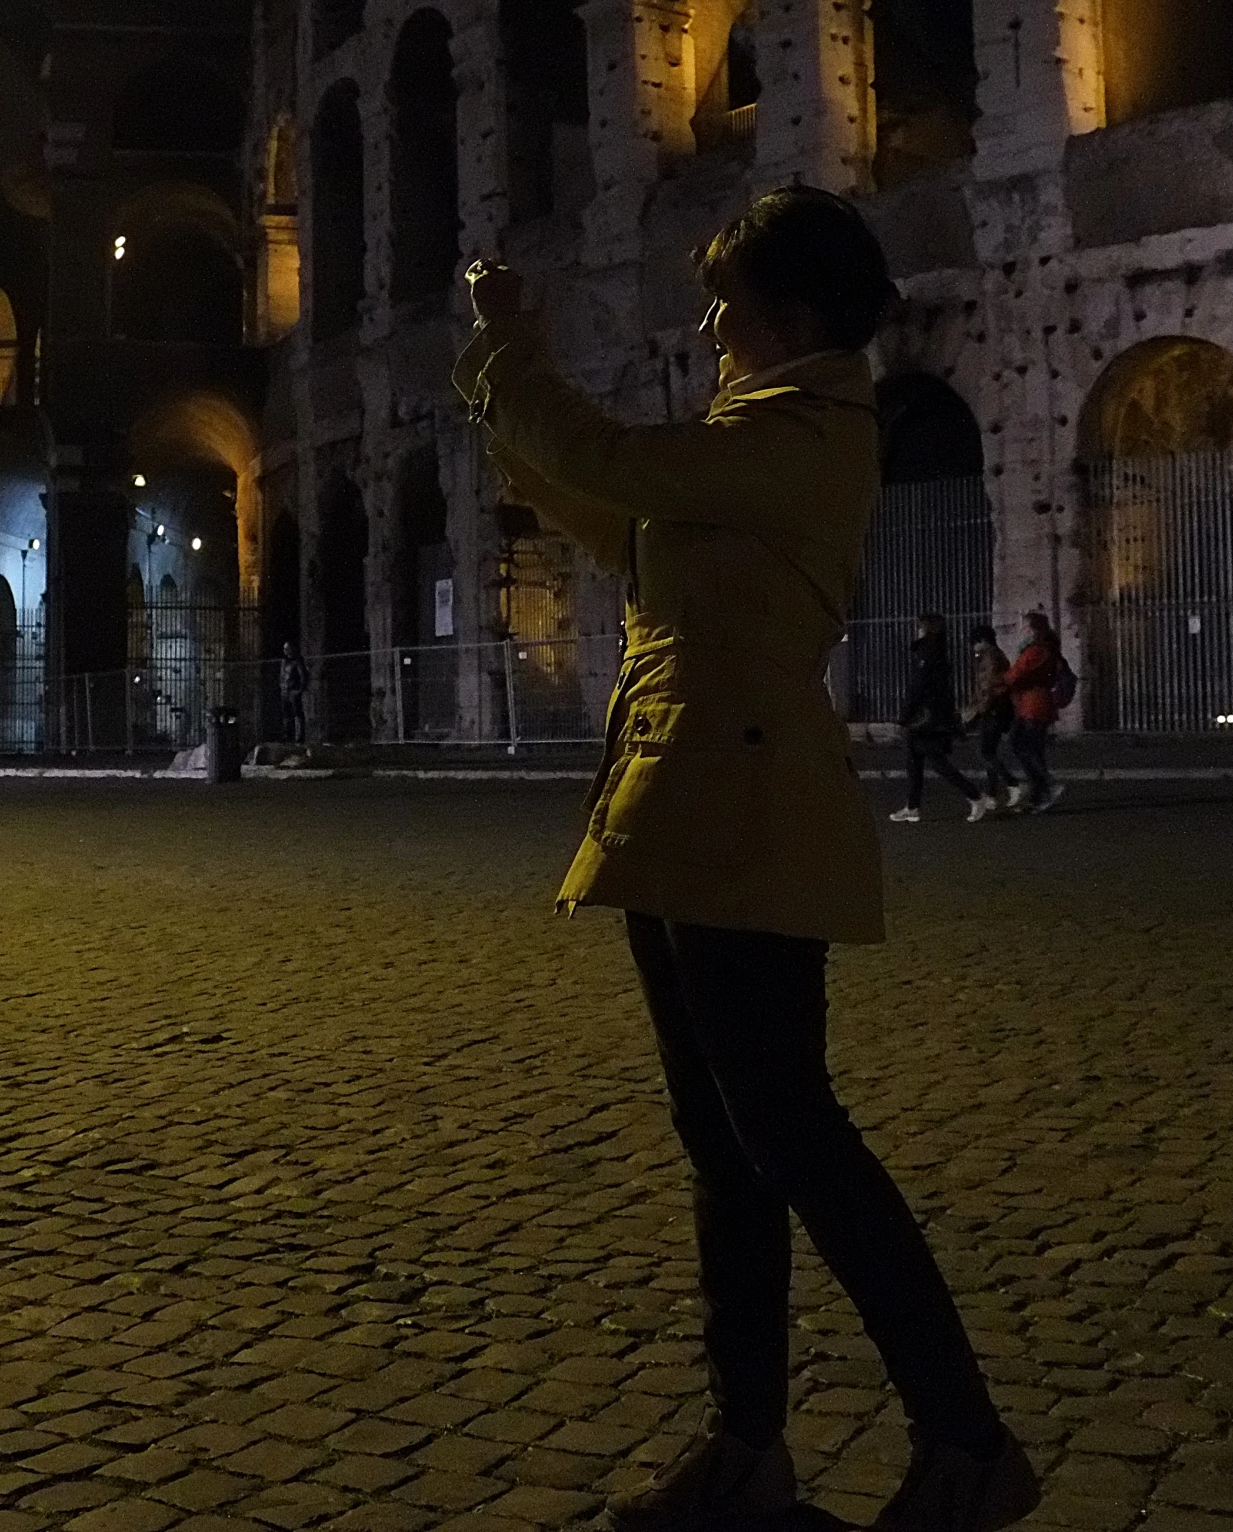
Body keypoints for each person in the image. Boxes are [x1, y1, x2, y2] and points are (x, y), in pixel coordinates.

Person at [454, 186, 1038, 1532]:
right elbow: (625, 525)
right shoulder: (757, 434)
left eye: (730, 300)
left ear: (793, 313)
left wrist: (517, 361)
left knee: (795, 1137)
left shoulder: (812, 427)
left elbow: (624, 469)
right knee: (725, 1148)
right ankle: (749, 1455)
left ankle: (967, 1445)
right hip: (679, 802)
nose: (712, 323)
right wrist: (511, 406)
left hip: (747, 809)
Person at [891, 613, 986, 824]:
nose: (916, 630)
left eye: (919, 627)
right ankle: (912, 807)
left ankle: (975, 796)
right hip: (932, 716)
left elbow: (918, 688)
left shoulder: (927, 654)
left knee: (935, 761)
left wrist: (903, 718)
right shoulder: (937, 652)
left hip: (927, 718)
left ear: (926, 629)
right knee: (915, 759)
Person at [1002, 612, 1065, 813]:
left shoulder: (1037, 650)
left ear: (1033, 629)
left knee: (1025, 746)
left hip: (1034, 705)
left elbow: (1015, 674)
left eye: (1025, 626)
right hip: (1030, 704)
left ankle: (1048, 785)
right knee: (1026, 746)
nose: (1022, 630)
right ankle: (1039, 796)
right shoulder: (1044, 649)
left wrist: (1001, 680)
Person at [966, 623, 1019, 812]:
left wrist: (978, 710)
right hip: (998, 708)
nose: (973, 648)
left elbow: (987, 688)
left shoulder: (990, 657)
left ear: (982, 641)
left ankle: (1013, 783)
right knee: (990, 751)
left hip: (993, 709)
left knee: (985, 752)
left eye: (974, 643)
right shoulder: (995, 655)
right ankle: (991, 794)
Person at [278, 641, 309, 746]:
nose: (285, 651)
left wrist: (299, 690)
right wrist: (282, 687)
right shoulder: (284, 662)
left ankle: (299, 738)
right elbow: (282, 676)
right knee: (286, 715)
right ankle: (288, 736)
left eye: (287, 648)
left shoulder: (297, 661)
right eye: (284, 649)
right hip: (285, 692)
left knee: (297, 714)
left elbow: (303, 676)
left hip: (293, 691)